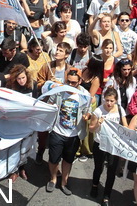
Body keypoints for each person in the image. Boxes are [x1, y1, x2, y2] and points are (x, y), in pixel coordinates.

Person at [44, 68, 91, 196]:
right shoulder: (59, 92)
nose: (70, 85)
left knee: (68, 160)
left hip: (73, 135)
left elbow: (88, 110)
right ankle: (53, 179)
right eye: (68, 82)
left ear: (80, 81)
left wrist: (87, 116)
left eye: (74, 83)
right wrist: (53, 108)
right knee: (53, 159)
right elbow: (49, 105)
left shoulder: (85, 95)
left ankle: (64, 182)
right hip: (57, 131)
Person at [89, 86, 125, 205]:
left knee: (111, 170)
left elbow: (125, 127)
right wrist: (98, 124)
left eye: (112, 101)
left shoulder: (120, 110)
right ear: (103, 99)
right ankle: (95, 185)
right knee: (98, 167)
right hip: (100, 144)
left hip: (114, 146)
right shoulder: (98, 111)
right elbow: (91, 129)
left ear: (116, 100)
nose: (109, 103)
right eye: (107, 100)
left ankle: (106, 196)